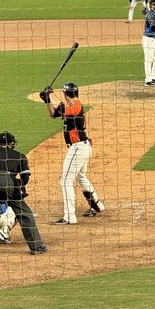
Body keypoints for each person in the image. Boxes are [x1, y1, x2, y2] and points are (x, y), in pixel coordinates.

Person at [39, 82, 105, 224]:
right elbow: (53, 114)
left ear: (65, 94)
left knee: (65, 180)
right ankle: (97, 205)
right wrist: (47, 100)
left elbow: (63, 108)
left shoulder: (76, 105)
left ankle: (69, 216)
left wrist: (50, 94)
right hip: (81, 148)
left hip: (78, 148)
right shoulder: (70, 106)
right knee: (80, 177)